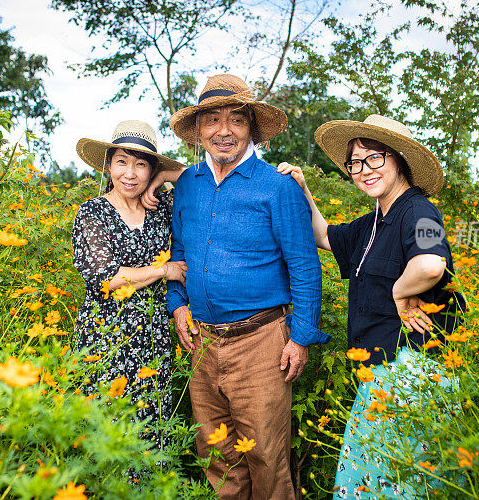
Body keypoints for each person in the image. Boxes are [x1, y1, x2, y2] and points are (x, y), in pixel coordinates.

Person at [277, 114, 465, 498]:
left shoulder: (421, 211)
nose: (363, 170)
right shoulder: (373, 222)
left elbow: (430, 263)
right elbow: (324, 236)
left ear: (398, 158)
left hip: (411, 376)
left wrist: (399, 292)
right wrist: (303, 189)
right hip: (378, 375)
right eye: (355, 163)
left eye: (374, 158)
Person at [162, 74, 330, 499]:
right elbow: (178, 252)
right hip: (202, 342)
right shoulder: (188, 184)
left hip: (261, 344)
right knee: (219, 460)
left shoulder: (277, 187)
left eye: (236, 120)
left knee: (267, 461)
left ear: (252, 129)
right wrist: (178, 306)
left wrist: (302, 337)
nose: (224, 130)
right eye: (212, 120)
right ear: (197, 131)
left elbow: (305, 267)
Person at [72, 120, 186, 449]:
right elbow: (107, 277)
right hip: (104, 337)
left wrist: (165, 176)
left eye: (141, 164)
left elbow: (204, 178)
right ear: (109, 165)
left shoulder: (161, 206)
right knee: (108, 431)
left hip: (152, 337)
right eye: (122, 161)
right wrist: (165, 271)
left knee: (152, 430)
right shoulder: (92, 212)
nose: (130, 174)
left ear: (151, 171)